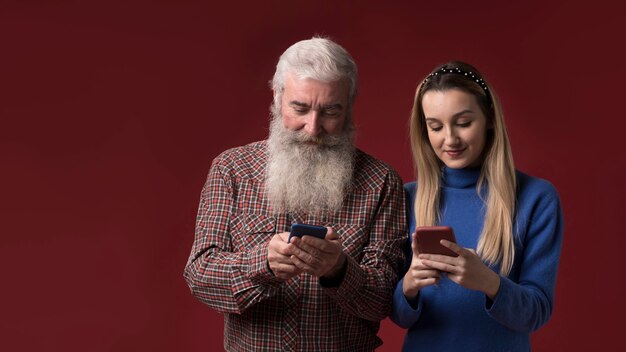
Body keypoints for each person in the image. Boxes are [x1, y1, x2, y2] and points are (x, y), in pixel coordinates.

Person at [183, 37, 406, 351]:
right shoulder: (231, 169)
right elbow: (200, 275)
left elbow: (386, 299)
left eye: (330, 111)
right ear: (277, 97)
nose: (313, 128)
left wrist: (339, 270)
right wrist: (263, 263)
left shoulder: (381, 182)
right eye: (299, 108)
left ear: (349, 106)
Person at [390, 61, 564, 351]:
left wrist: (488, 282)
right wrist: (409, 285)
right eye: (435, 126)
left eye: (463, 123)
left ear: (490, 119)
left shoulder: (537, 198)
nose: (450, 139)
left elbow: (537, 312)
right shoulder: (406, 198)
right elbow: (398, 314)